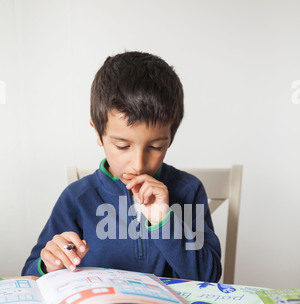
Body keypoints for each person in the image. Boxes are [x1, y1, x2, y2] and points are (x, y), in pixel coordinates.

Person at [22, 51, 222, 282]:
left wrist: (163, 221)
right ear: (98, 132)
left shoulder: (189, 190)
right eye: (122, 146)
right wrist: (50, 264)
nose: (138, 164)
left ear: (171, 137)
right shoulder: (77, 198)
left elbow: (209, 277)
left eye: (156, 147)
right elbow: (29, 275)